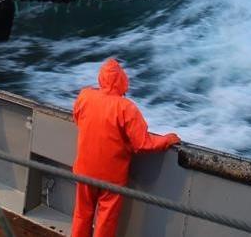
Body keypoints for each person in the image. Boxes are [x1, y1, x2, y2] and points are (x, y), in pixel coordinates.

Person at [70, 58, 180, 237]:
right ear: (123, 81)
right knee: (106, 220)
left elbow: (77, 118)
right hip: (111, 179)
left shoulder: (85, 96)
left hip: (84, 172)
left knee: (82, 215)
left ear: (101, 78)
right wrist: (167, 140)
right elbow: (143, 144)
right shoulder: (126, 108)